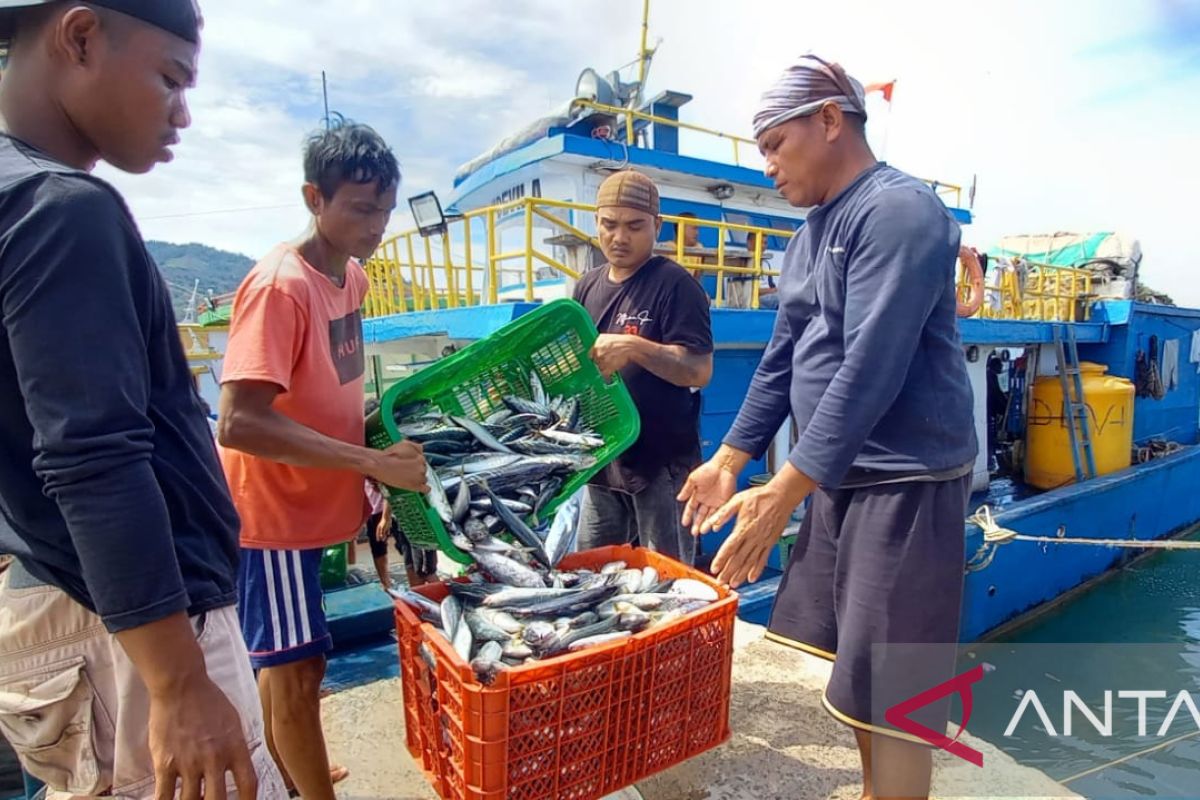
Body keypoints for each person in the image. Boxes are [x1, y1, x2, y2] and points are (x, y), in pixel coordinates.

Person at [0, 2, 288, 797]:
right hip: (130, 637)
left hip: (56, 599)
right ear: (81, 35)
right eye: (171, 78)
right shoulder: (61, 211)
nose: (183, 113)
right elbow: (94, 457)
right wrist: (178, 684)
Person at [679, 55, 977, 800]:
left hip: (905, 483)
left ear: (830, 120)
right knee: (851, 674)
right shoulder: (811, 235)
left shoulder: (900, 212)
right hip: (838, 481)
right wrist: (730, 458)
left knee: (898, 696)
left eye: (776, 145)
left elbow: (872, 365)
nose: (769, 166)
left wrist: (784, 489)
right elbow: (784, 358)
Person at [216, 122, 428, 800]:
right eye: (360, 209)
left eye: (385, 210)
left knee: (298, 670)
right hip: (271, 513)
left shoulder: (355, 277)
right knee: (295, 669)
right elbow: (240, 421)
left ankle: (290, 766)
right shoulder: (281, 286)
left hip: (317, 504)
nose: (376, 226)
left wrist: (379, 437)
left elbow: (337, 384)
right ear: (315, 196)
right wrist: (368, 462)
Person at [573, 170, 714, 565]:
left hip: (662, 465)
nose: (619, 237)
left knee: (667, 581)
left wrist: (635, 347)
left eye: (635, 226)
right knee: (592, 575)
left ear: (657, 226)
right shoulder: (585, 287)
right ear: (596, 222)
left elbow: (699, 370)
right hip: (604, 462)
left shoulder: (676, 284)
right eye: (609, 224)